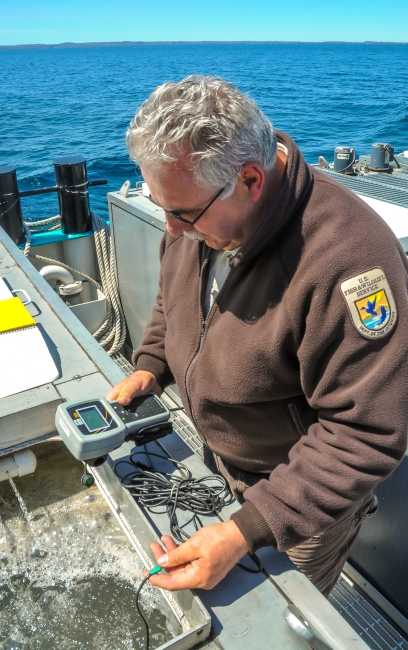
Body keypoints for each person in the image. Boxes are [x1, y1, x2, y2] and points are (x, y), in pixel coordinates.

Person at [107, 75, 408, 597]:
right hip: (221, 463)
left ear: (249, 179)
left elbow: (366, 433)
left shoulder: (351, 260)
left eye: (182, 214)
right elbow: (173, 298)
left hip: (300, 504)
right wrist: (152, 363)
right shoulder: (201, 207)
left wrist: (243, 531)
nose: (171, 229)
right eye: (161, 207)